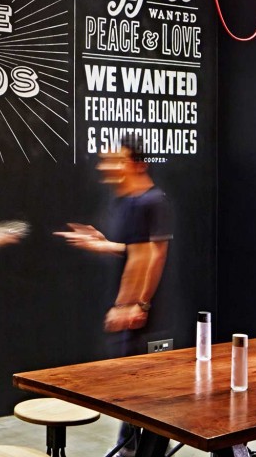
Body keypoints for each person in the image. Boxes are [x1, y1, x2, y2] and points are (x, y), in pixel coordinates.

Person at [55, 133, 173, 456]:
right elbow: (135, 248)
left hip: (143, 315)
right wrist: (105, 244)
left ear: (138, 164)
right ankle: (129, 447)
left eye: (116, 160)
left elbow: (150, 257)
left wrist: (134, 304)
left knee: (143, 392)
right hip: (135, 311)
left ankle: (138, 450)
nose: (107, 167)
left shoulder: (151, 201)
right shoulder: (131, 201)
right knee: (132, 388)